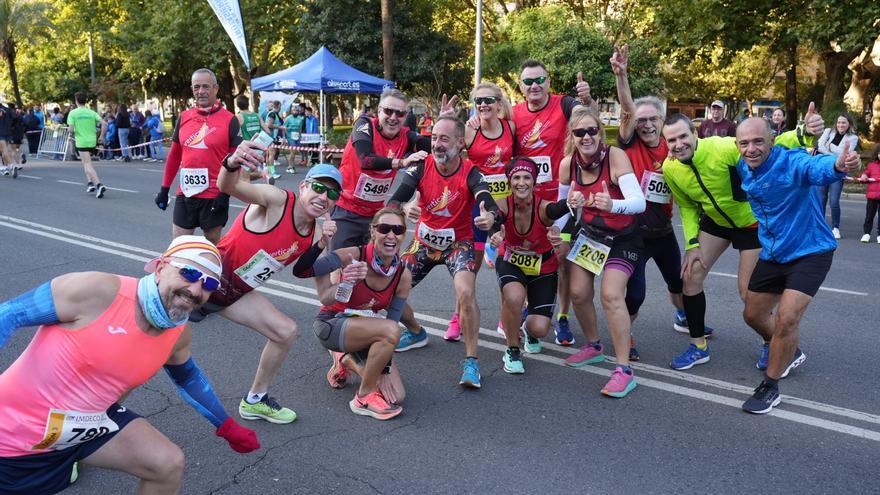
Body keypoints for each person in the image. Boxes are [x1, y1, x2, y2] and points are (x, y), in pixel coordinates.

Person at [0, 236, 260, 495]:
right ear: (160, 268)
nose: (195, 289)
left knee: (167, 464)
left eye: (209, 283)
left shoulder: (177, 333)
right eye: (189, 273)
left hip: (86, 425)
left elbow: (188, 378)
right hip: (13, 432)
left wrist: (226, 425)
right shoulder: (98, 291)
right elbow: (9, 315)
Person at [177, 141, 342, 424]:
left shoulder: (314, 232)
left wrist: (324, 243)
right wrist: (232, 163)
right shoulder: (277, 200)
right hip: (202, 280)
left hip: (233, 295)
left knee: (286, 331)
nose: (323, 196)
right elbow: (230, 186)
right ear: (303, 186)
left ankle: (255, 400)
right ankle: (83, 419)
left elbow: (301, 270)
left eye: (332, 193)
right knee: (141, 344)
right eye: (318, 187)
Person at [661, 103, 825, 371]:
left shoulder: (722, 148)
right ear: (665, 143)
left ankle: (776, 343)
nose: (679, 144)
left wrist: (802, 132)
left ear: (694, 133)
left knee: (749, 294)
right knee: (690, 277)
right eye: (672, 140)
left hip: (751, 224)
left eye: (683, 136)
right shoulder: (671, 169)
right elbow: (688, 206)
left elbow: (762, 145)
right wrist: (691, 245)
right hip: (715, 222)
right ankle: (698, 346)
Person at [735, 117, 861, 413]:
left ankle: (770, 387)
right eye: (744, 143)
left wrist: (840, 165)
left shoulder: (792, 161)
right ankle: (786, 350)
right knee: (752, 314)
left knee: (786, 319)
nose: (751, 149)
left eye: (758, 141)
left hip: (811, 251)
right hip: (773, 254)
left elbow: (817, 168)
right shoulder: (744, 165)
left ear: (772, 140)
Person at [387, 116, 501, 389]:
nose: (437, 144)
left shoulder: (472, 172)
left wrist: (490, 218)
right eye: (434, 138)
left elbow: (488, 203)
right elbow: (395, 199)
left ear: (461, 143)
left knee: (465, 291)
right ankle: (416, 332)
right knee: (389, 284)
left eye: (444, 139)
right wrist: (404, 209)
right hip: (424, 243)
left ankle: (471, 361)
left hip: (457, 244)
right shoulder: (420, 166)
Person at [610, 45, 697, 360]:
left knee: (680, 284)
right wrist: (622, 75)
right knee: (635, 295)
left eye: (652, 119)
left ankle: (683, 316)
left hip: (662, 232)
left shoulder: (671, 146)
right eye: (641, 120)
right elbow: (627, 109)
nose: (646, 124)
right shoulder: (629, 143)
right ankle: (626, 335)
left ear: (661, 121)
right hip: (633, 233)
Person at [558, 106, 646, 397]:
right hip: (591, 236)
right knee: (579, 293)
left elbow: (639, 202)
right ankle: (594, 346)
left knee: (610, 294)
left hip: (624, 238)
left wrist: (613, 205)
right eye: (579, 132)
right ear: (572, 135)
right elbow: (561, 209)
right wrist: (565, 220)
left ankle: (623, 370)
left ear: (600, 131)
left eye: (592, 130)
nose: (586, 137)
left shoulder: (615, 157)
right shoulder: (568, 164)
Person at [295, 207, 412, 420]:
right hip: (332, 325)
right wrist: (323, 244)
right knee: (390, 331)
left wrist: (384, 369)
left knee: (397, 395)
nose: (391, 235)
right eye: (384, 228)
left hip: (368, 330)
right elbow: (303, 270)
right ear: (373, 231)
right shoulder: (352, 255)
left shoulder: (403, 274)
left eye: (398, 229)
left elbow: (393, 320)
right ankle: (363, 397)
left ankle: (345, 359)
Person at [511, 59, 597, 346]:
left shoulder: (564, 104)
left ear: (548, 81)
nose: (534, 86)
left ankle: (561, 316)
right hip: (529, 201)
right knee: (531, 256)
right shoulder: (514, 114)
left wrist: (588, 100)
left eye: (540, 80)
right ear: (521, 87)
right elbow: (495, 143)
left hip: (563, 197)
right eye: (528, 82)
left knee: (563, 258)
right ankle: (530, 309)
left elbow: (588, 120)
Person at [331, 88, 447, 250]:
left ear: (406, 116)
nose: (393, 118)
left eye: (399, 114)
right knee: (339, 266)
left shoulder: (406, 136)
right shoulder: (364, 125)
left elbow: (436, 148)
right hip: (346, 211)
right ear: (379, 111)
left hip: (376, 216)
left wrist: (444, 123)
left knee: (373, 269)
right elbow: (365, 160)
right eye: (388, 111)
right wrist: (401, 162)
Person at [444, 82, 516, 341]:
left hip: (504, 207)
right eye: (478, 101)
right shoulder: (471, 131)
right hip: (475, 207)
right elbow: (447, 154)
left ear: (499, 103)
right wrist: (445, 119)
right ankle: (457, 316)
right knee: (468, 266)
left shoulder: (511, 127)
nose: (483, 105)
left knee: (506, 265)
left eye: (488, 100)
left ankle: (507, 317)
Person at [487, 157, 572, 373]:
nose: (521, 182)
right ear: (509, 181)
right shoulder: (503, 204)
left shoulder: (543, 207)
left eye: (527, 177)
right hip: (511, 261)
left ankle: (528, 329)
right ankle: (512, 350)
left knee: (540, 328)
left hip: (543, 266)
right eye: (516, 177)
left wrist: (573, 200)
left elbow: (557, 209)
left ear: (534, 182)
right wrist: (493, 232)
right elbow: (493, 218)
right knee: (514, 297)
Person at [154, 68, 242, 245]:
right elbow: (174, 155)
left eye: (205, 86)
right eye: (196, 87)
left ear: (215, 88)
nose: (200, 91)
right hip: (186, 193)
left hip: (214, 195)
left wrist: (225, 195)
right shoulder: (184, 117)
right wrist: (164, 189)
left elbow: (236, 161)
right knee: (179, 246)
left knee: (211, 248)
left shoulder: (230, 120)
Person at [817, 112, 859, 239]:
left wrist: (829, 146)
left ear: (849, 124)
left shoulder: (853, 138)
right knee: (821, 200)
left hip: (838, 171)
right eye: (839, 122)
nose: (841, 125)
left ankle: (835, 228)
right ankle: (820, 227)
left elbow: (845, 154)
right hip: (824, 169)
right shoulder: (829, 131)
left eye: (844, 123)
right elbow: (820, 146)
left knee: (834, 201)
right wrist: (834, 153)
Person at [67, 92, 108, 198]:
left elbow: (71, 129)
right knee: (85, 162)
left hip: (82, 141)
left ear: (76, 101)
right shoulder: (91, 112)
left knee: (88, 164)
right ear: (85, 101)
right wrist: (101, 137)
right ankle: (90, 184)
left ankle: (99, 185)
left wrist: (70, 131)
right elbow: (104, 123)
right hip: (92, 141)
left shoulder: (73, 113)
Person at [859, 143, 880, 243]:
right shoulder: (871, 165)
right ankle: (866, 233)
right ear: (877, 154)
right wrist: (863, 177)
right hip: (872, 196)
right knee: (869, 216)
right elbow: (865, 175)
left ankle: (879, 235)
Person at [264, 101, 284, 180]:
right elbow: (269, 124)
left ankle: (268, 171)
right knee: (271, 154)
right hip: (270, 137)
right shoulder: (272, 114)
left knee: (269, 154)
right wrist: (280, 127)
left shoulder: (274, 114)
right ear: (278, 106)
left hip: (271, 137)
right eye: (280, 106)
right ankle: (272, 172)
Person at [283, 104, 305, 174]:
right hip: (290, 136)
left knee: (294, 152)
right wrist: (284, 137)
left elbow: (300, 128)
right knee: (293, 151)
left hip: (297, 137)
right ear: (291, 111)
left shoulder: (300, 119)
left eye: (296, 111)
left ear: (298, 111)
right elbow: (283, 128)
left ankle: (291, 166)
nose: (295, 112)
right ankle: (290, 166)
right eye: (293, 111)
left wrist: (300, 136)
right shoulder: (288, 118)